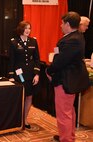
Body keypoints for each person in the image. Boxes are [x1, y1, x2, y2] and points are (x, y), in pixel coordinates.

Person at [46, 11, 85, 142]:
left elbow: (60, 61)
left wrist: (49, 71)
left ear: (68, 24)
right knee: (69, 111)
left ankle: (66, 139)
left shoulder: (72, 40)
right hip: (69, 80)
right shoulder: (75, 36)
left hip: (65, 80)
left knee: (64, 113)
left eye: (62, 23)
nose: (60, 26)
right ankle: (68, 136)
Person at [8, 21, 40, 129]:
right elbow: (11, 61)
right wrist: (11, 76)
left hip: (30, 74)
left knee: (29, 96)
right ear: (20, 29)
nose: (28, 30)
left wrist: (36, 74)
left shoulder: (33, 41)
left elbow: (37, 60)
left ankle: (25, 118)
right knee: (20, 96)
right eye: (26, 28)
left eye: (29, 28)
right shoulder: (14, 42)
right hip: (18, 74)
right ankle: (17, 119)